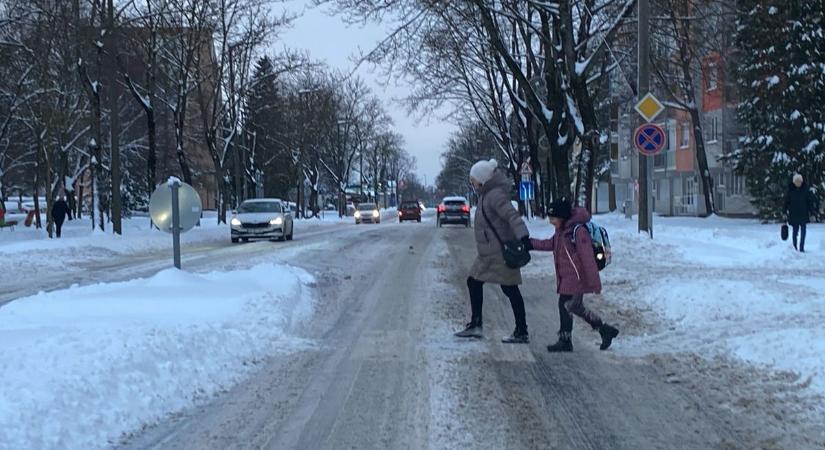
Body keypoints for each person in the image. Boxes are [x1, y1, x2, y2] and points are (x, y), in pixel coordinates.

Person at [455, 159, 532, 343]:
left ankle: (521, 330)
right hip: (487, 253)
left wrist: (524, 237)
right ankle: (476, 324)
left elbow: (511, 215)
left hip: (499, 253)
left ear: (482, 180)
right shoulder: (485, 194)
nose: (472, 184)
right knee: (474, 282)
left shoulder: (494, 195)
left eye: (473, 181)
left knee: (510, 289)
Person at [529, 199, 619, 352]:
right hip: (567, 278)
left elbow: (587, 258)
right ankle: (604, 330)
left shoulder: (578, 231)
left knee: (567, 305)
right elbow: (550, 244)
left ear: (562, 217)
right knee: (573, 306)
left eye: (553, 218)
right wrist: (530, 243)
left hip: (577, 278)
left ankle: (566, 340)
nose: (550, 222)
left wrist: (594, 283)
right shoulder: (562, 231)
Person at [784, 174, 815, 252]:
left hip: (803, 213)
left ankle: (801, 247)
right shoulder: (790, 190)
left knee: (803, 231)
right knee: (795, 231)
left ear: (801, 181)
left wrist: (812, 213)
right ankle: (794, 247)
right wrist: (784, 212)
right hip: (794, 214)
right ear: (794, 182)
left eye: (799, 181)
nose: (798, 183)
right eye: (796, 181)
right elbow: (786, 202)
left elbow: (809, 202)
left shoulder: (805, 190)